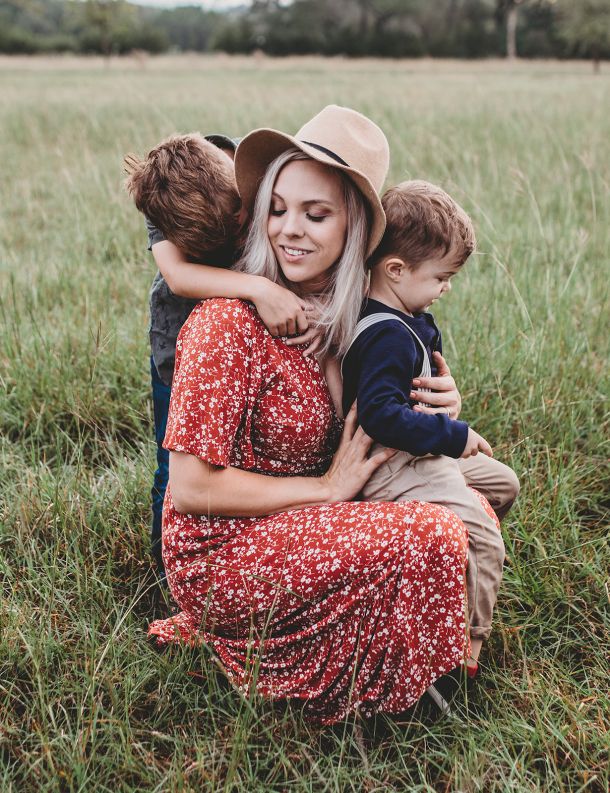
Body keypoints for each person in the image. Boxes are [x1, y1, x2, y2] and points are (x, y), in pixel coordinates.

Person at [148, 106, 476, 724]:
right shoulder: (226, 322)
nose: (289, 230)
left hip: (307, 522)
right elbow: (190, 490)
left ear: (355, 230)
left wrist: (441, 402)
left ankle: (378, 645)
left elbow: (388, 415)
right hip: (226, 551)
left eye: (315, 214)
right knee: (434, 532)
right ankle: (359, 678)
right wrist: (326, 489)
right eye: (277, 209)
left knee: (470, 501)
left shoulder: (352, 318)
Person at [341, 180, 520, 677]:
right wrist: (455, 436)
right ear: (396, 270)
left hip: (419, 455)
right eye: (442, 277)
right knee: (485, 536)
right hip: (394, 466)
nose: (447, 287)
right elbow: (379, 415)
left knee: (503, 484)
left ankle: (450, 577)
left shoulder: (405, 315)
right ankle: (466, 645)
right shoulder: (385, 335)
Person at [125, 132, 313, 576]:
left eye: (240, 220)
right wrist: (257, 289)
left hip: (252, 342)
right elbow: (177, 275)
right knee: (173, 462)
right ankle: (169, 572)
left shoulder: (245, 166)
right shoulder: (164, 196)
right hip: (177, 342)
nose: (242, 231)